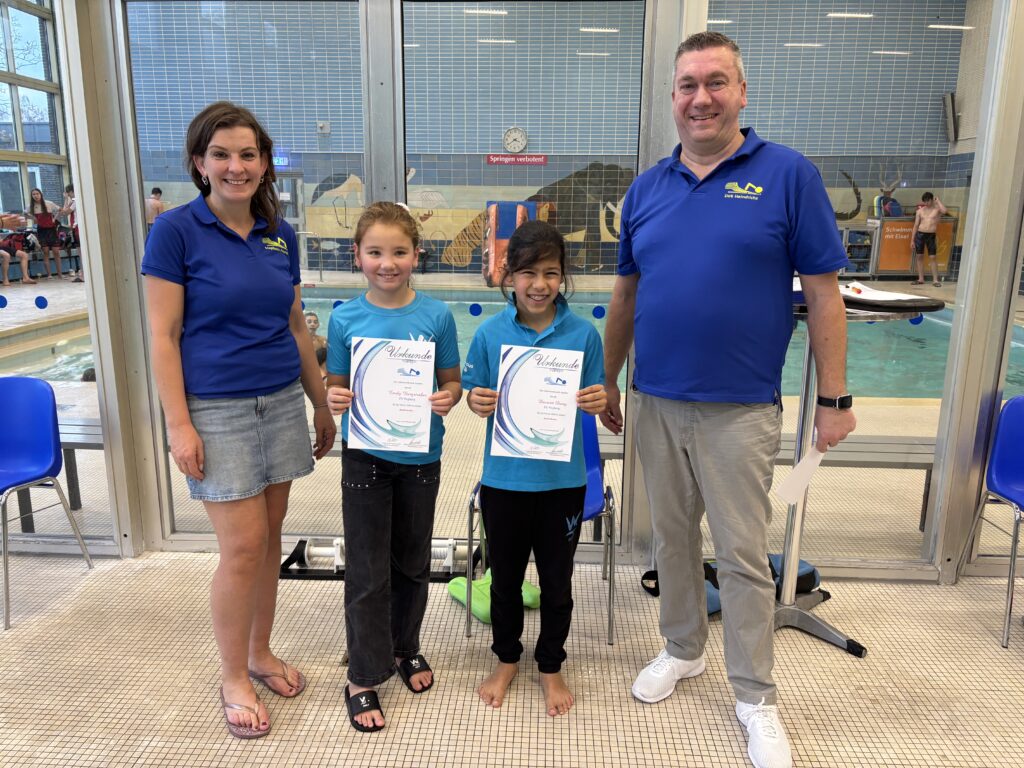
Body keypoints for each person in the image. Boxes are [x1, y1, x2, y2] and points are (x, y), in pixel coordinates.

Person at [601, 32, 855, 768]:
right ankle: (683, 648)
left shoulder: (788, 175)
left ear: (742, 92)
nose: (701, 97)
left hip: (740, 407)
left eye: (716, 82)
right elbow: (625, 296)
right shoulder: (647, 189)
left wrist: (835, 397)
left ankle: (755, 695)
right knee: (672, 539)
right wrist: (609, 379)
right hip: (656, 399)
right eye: (688, 84)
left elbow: (824, 293)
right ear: (672, 98)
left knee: (742, 555)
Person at [141, 101, 336, 740]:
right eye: (221, 155)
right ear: (199, 163)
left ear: (264, 162)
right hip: (217, 410)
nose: (236, 166)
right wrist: (179, 425)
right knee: (243, 546)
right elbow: (163, 336)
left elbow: (296, 326)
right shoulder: (175, 232)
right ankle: (232, 676)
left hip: (279, 401)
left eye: (247, 154)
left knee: (271, 539)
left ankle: (260, 653)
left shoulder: (280, 233)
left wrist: (318, 401)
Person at [325, 201, 462, 733]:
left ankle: (405, 646)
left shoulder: (436, 316)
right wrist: (335, 398)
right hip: (366, 457)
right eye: (376, 252)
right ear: (357, 255)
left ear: (416, 255)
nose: (388, 263)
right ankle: (362, 674)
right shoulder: (345, 318)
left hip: (420, 457)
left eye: (399, 252)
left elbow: (451, 382)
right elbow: (337, 386)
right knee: (366, 570)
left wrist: (448, 397)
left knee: (412, 562)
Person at [462, 220, 606, 717]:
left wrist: (597, 399)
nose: (539, 284)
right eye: (528, 273)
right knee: (504, 580)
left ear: (563, 276)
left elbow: (596, 394)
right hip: (504, 481)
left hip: (562, 483)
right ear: (509, 275)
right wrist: (476, 401)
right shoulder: (490, 333)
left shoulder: (583, 335)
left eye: (550, 273)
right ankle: (506, 660)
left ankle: (550, 666)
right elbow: (475, 394)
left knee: (557, 583)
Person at [911, 192, 948, 287]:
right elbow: (916, 225)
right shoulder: (920, 211)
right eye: (925, 201)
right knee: (919, 256)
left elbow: (944, 211)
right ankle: (921, 279)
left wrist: (938, 201)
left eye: (928, 201)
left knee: (933, 257)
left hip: (931, 235)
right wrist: (912, 240)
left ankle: (935, 280)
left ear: (932, 200)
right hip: (920, 234)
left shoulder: (937, 209)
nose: (926, 203)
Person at [26, 188, 64, 278]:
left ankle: (60, 274)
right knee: (46, 252)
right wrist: (33, 218)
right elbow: (24, 214)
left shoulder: (49, 203)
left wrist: (54, 219)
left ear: (41, 194)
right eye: (33, 194)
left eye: (37, 193)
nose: (36, 196)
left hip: (52, 230)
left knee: (56, 252)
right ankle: (49, 275)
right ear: (32, 196)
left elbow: (60, 209)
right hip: (41, 231)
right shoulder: (31, 206)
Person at [63, 184, 84, 282]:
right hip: (78, 227)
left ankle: (83, 275)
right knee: (81, 252)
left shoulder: (75, 201)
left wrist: (66, 199)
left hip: (78, 228)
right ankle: (83, 273)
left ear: (70, 192)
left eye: (68, 193)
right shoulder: (78, 200)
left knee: (81, 252)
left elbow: (65, 212)